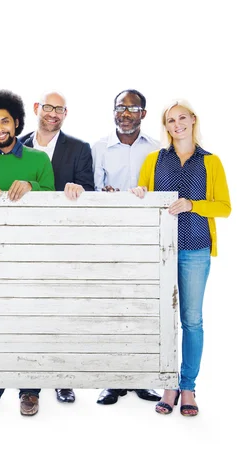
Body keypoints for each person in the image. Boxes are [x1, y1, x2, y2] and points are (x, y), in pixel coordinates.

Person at [0, 89, 83, 416]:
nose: (0, 128)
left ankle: (30, 390)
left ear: (18, 122)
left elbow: (51, 198)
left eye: (5, 121)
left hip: (32, 252)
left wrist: (32, 187)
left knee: (30, 319)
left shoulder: (38, 159)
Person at [130, 99, 231, 416]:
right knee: (162, 321)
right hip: (160, 252)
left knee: (192, 320)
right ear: (166, 126)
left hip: (196, 249)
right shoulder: (154, 160)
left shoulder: (210, 162)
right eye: (171, 120)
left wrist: (192, 204)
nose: (177, 124)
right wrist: (138, 194)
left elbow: (224, 207)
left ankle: (187, 387)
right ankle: (168, 384)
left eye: (182, 118)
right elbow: (142, 198)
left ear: (193, 120)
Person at [19, 91, 95, 404]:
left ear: (65, 114)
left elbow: (89, 190)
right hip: (23, 242)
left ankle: (63, 378)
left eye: (59, 110)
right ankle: (29, 387)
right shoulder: (17, 146)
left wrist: (78, 189)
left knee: (63, 310)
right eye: (48, 107)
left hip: (63, 242)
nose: (53, 114)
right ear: (37, 108)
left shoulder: (79, 148)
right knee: (26, 312)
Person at [91, 89, 162, 405]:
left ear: (143, 114)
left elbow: (163, 192)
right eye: (120, 107)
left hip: (147, 238)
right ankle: (113, 380)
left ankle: (142, 379)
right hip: (110, 237)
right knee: (110, 306)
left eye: (132, 108)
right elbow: (91, 190)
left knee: (144, 306)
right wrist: (104, 195)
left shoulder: (158, 150)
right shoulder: (99, 148)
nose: (125, 112)